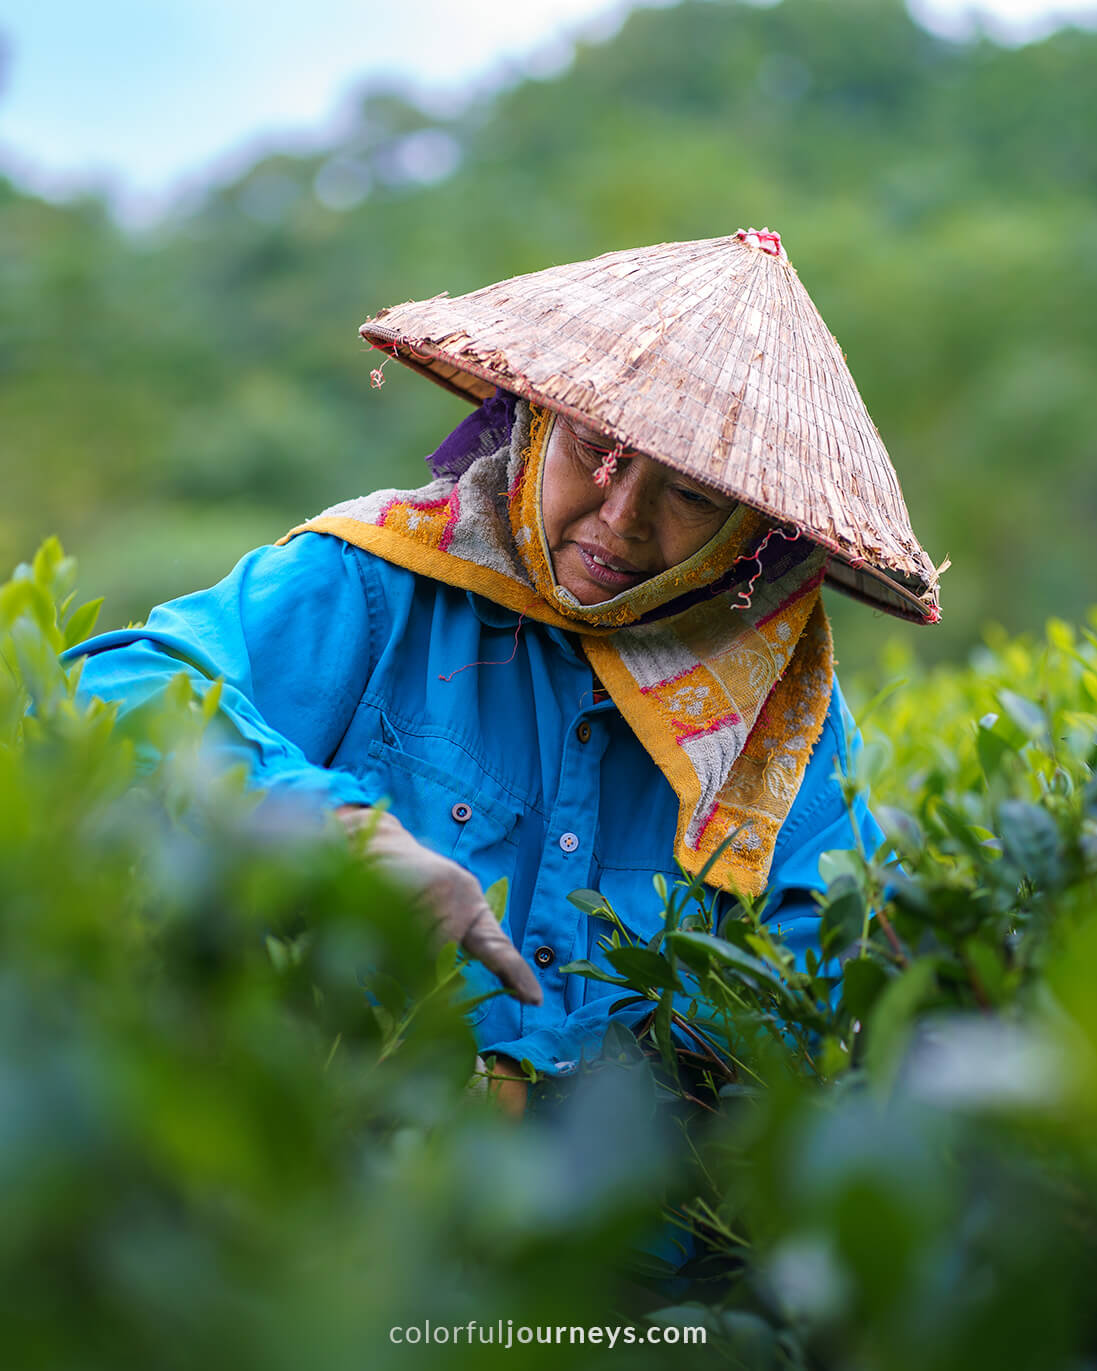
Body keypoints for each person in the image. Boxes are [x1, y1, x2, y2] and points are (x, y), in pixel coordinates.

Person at [67, 229, 942, 1118]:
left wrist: (554, 1084)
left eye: (691, 497)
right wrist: (333, 831)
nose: (623, 518)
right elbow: (119, 689)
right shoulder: (379, 583)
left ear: (752, 534)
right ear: (532, 422)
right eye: (596, 451)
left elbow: (811, 997)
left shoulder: (779, 718)